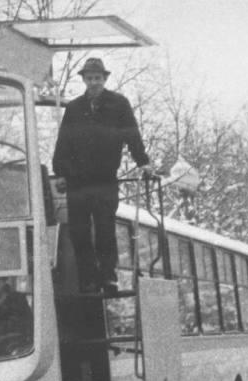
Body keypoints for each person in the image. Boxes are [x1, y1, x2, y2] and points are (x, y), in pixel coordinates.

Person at [53, 57, 154, 294]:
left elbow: (132, 135)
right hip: (77, 181)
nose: (94, 82)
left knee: (105, 229)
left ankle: (108, 276)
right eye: (90, 78)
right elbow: (63, 141)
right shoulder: (74, 108)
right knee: (78, 232)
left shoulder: (119, 104)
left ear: (105, 79)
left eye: (98, 78)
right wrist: (60, 172)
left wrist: (144, 162)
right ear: (84, 80)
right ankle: (88, 279)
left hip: (104, 180)